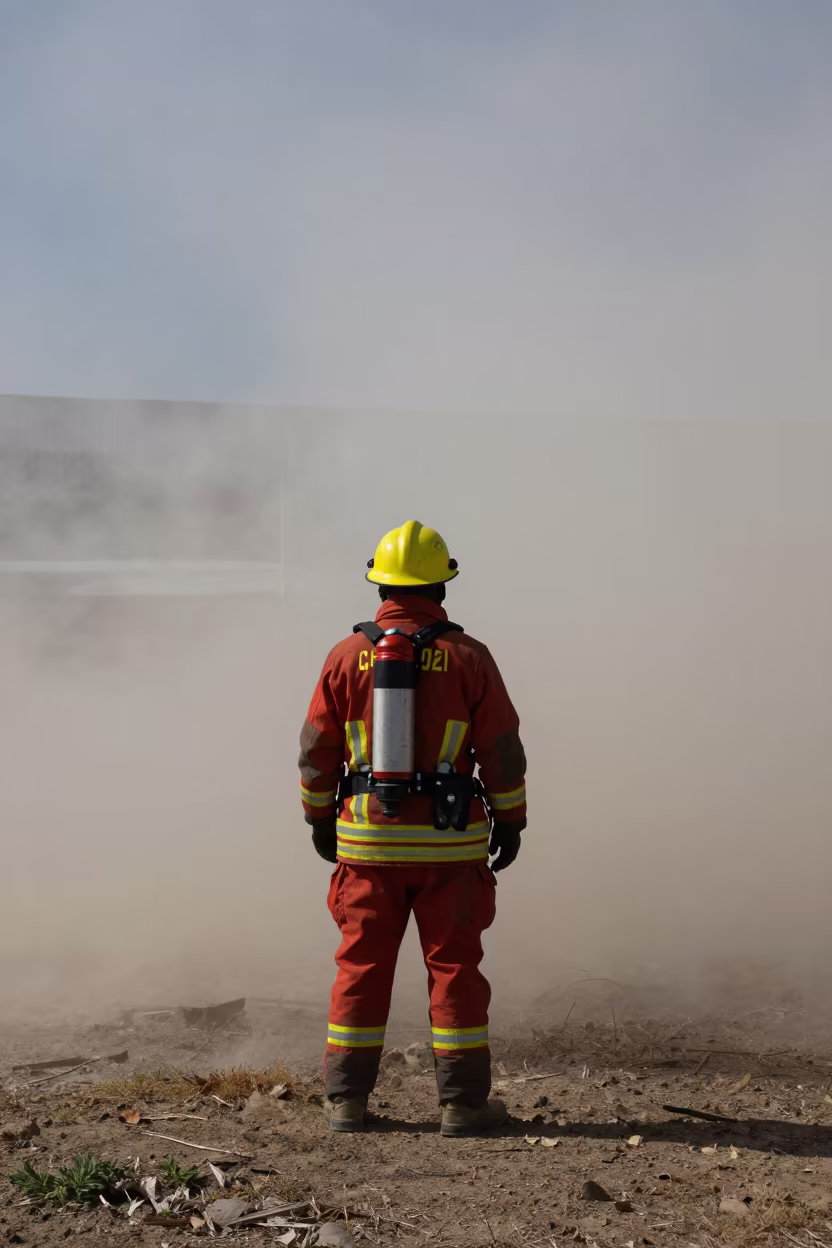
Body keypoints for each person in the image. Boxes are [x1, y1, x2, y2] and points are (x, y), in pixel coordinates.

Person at [298, 521, 527, 1136]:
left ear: (379, 587)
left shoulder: (344, 656)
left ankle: (346, 1102)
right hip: (450, 847)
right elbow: (502, 751)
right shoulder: (469, 656)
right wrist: (511, 821)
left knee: (361, 968)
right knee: (455, 969)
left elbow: (317, 749)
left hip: (367, 844)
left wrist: (319, 819)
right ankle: (462, 1105)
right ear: (442, 587)